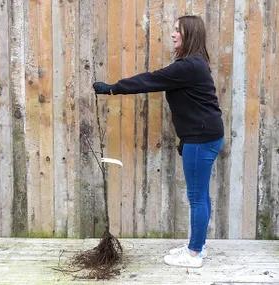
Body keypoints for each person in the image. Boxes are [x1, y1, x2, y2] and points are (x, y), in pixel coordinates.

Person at [93, 15, 224, 268]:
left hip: (202, 138)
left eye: (178, 30)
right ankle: (197, 245)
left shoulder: (188, 66)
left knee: (197, 197)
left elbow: (149, 80)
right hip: (204, 136)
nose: (173, 34)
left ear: (190, 35)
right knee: (201, 196)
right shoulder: (194, 64)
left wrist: (112, 88)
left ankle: (194, 254)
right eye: (173, 29)